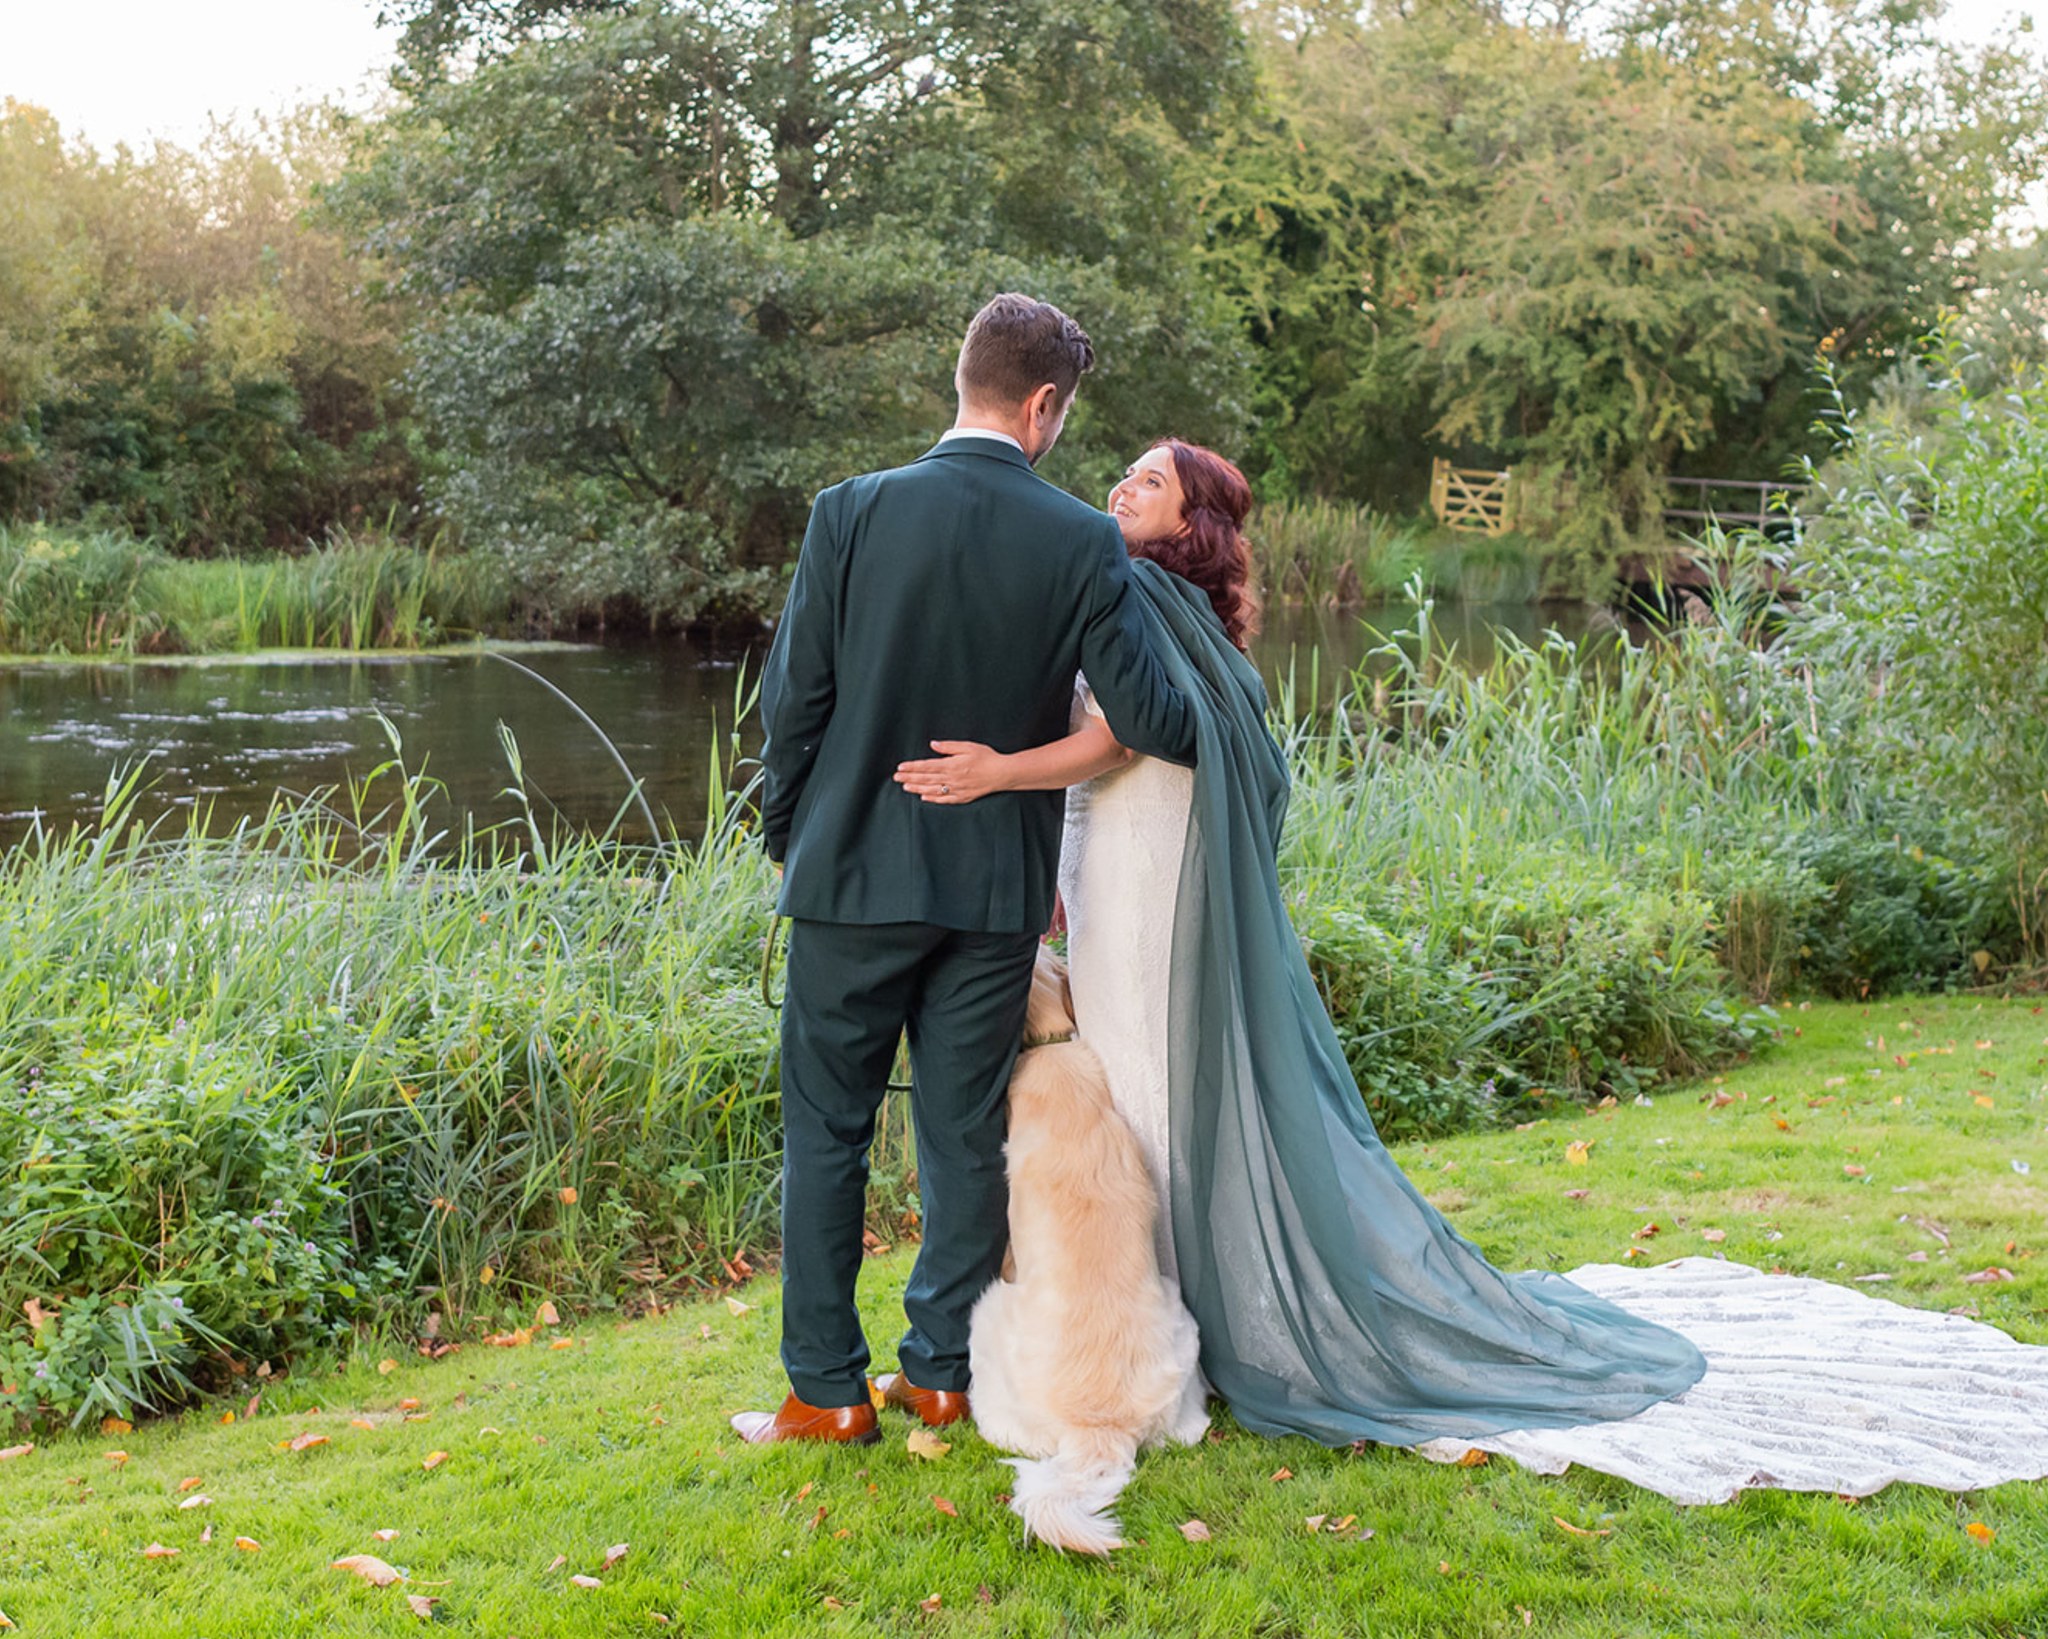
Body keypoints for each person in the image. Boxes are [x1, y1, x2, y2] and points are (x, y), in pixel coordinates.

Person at [895, 438, 2048, 1501]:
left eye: (1147, 484)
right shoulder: (1174, 606)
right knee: (1143, 1069)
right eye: (1124, 478)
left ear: (1189, 520)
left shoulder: (1142, 596)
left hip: (1149, 871)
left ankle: (1179, 1321)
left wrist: (999, 772)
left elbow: (1124, 735)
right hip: (1124, 856)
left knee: (1150, 1069)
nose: (1118, 492)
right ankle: (1156, 1313)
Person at [731, 295, 1197, 1447]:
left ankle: (826, 1393)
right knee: (958, 1134)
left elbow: (793, 706)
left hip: (850, 876)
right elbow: (1147, 716)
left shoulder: (848, 513)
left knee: (825, 1135)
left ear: (964, 377)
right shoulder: (1080, 541)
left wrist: (790, 834)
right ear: (1042, 405)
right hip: (992, 893)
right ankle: (939, 1371)